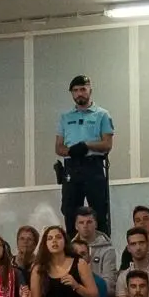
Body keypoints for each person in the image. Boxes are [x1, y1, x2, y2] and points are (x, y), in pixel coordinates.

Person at [55, 75, 114, 234]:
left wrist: (86, 145)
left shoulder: (102, 114)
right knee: (70, 212)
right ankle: (73, 252)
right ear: (72, 93)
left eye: (83, 89)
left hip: (93, 166)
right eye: (75, 90)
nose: (79, 93)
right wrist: (71, 151)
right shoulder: (65, 117)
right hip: (71, 167)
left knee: (99, 212)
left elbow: (107, 144)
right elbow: (58, 148)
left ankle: (103, 251)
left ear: (90, 90)